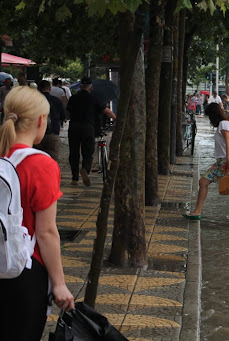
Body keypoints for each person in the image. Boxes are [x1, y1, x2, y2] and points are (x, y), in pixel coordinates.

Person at [0, 86, 74, 340]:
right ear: (42, 120)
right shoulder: (41, 164)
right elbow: (46, 232)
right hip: (24, 271)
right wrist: (60, 284)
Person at [67, 76, 116, 186]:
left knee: (73, 152)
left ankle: (75, 178)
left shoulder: (73, 98)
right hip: (88, 127)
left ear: (80, 86)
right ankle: (85, 169)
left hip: (74, 127)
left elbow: (68, 113)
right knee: (88, 152)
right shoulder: (94, 98)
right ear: (90, 87)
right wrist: (117, 119)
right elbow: (106, 111)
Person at [34, 80, 66, 160]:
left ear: (38, 88)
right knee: (52, 162)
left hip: (35, 135)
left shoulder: (33, 101)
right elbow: (63, 117)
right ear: (49, 88)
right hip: (53, 134)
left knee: (36, 161)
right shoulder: (56, 101)